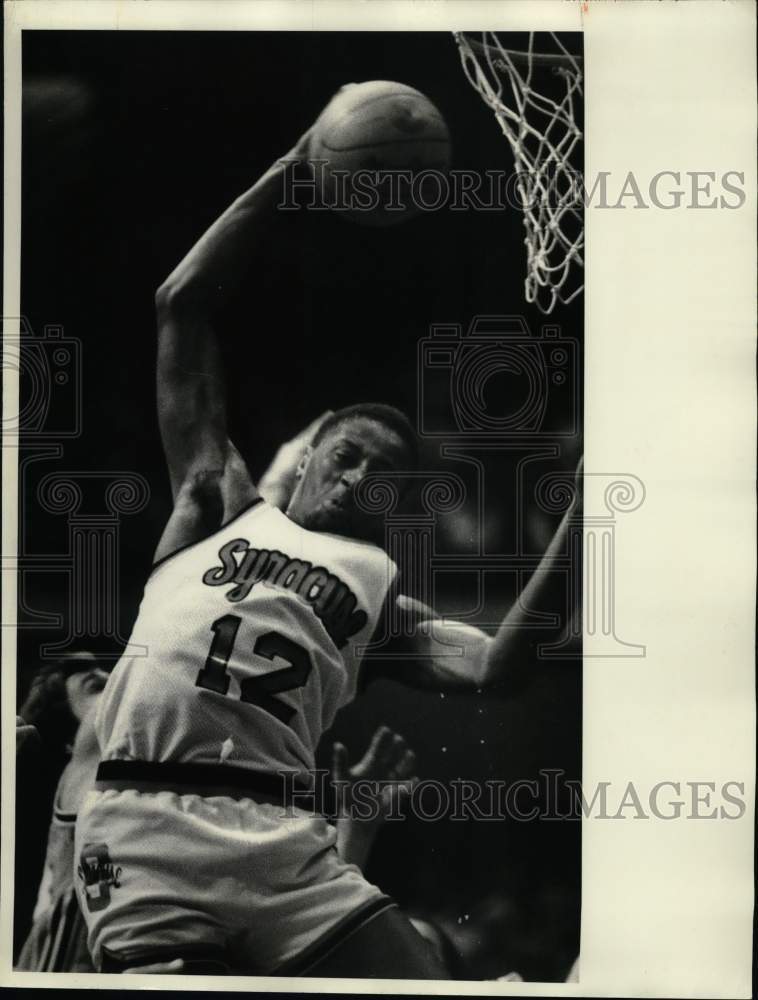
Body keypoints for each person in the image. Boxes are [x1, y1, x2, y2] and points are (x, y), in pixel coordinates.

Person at [75, 122, 580, 978]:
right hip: (144, 817)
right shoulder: (217, 505)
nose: (355, 481)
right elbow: (181, 304)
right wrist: (290, 166)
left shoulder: (381, 593)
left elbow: (498, 663)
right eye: (346, 458)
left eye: (380, 478)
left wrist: (586, 502)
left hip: (282, 842)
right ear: (306, 459)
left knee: (431, 983)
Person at [16, 653, 110, 972]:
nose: (99, 672)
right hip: (66, 942)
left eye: (100, 668)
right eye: (78, 672)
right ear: (71, 744)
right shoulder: (87, 751)